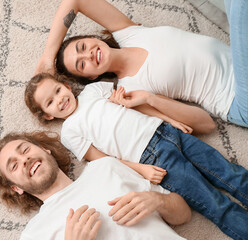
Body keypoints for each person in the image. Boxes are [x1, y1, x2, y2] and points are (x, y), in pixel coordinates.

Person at [24, 73, 248, 240]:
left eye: (57, 91)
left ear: (65, 85)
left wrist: (168, 119)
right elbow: (102, 160)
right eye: (50, 102)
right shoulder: (70, 131)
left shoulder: (92, 91)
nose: (59, 99)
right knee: (214, 203)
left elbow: (134, 106)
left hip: (166, 131)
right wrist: (141, 170)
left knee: (231, 173)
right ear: (47, 115)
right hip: (151, 158)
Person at [35, 0, 248, 128]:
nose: (88, 56)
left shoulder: (128, 32)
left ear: (92, 38)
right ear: (91, 77)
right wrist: (149, 99)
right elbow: (206, 123)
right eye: (82, 65)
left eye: (82, 47)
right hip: (235, 100)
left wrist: (47, 58)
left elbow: (76, 1)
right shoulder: (132, 90)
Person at [0, 131, 192, 240]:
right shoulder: (33, 234)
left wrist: (157, 200)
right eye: (14, 166)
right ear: (16, 188)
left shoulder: (105, 167)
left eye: (24, 150)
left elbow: (183, 215)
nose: (23, 160)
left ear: (45, 150)